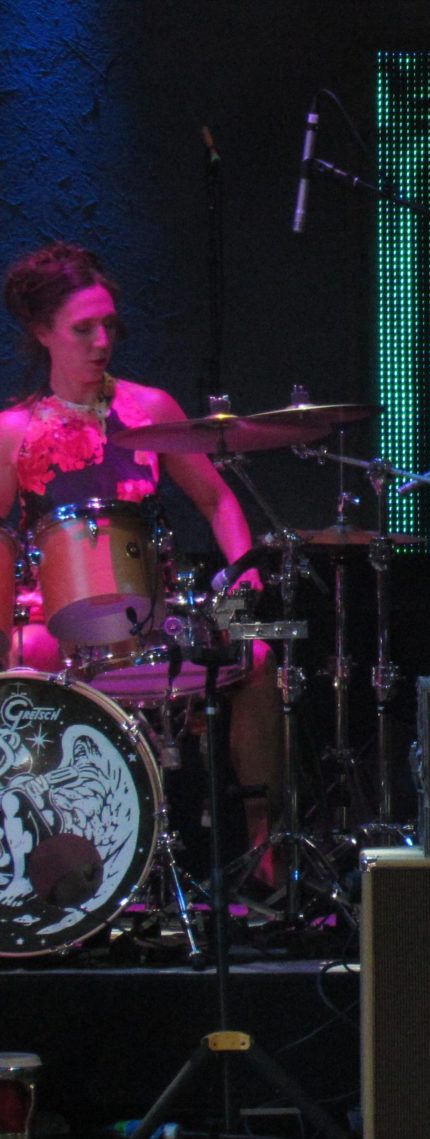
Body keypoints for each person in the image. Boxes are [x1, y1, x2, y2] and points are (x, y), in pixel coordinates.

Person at [0, 241, 281, 874]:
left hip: (151, 618)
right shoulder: (15, 431)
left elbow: (218, 502)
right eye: (82, 328)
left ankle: (265, 848)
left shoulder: (147, 408)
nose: (101, 341)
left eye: (109, 325)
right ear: (42, 332)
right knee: (24, 659)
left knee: (257, 654)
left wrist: (240, 582)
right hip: (57, 622)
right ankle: (63, 857)